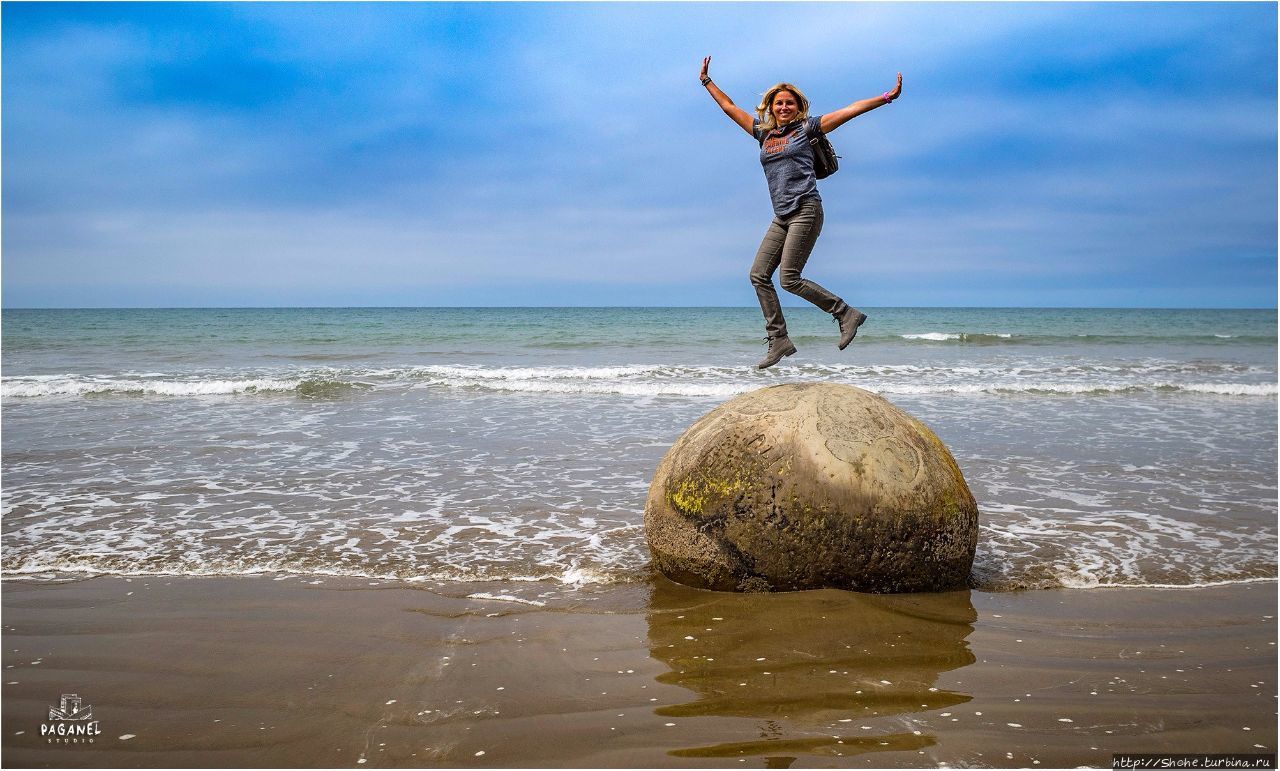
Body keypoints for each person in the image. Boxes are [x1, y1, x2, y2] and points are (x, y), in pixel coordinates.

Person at [700, 56, 902, 369]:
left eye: (789, 103)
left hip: (806, 208)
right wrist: (707, 82)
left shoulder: (807, 129)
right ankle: (779, 339)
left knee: (789, 278)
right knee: (758, 275)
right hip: (781, 215)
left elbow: (849, 111)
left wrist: (885, 98)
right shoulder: (763, 135)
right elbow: (729, 107)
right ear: (770, 107)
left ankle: (845, 313)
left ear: (798, 107)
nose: (783, 107)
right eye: (778, 103)